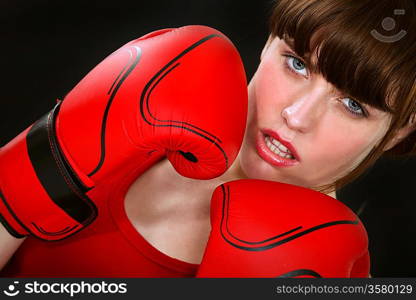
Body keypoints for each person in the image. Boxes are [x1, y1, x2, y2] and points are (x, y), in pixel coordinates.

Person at [0, 0, 415, 277]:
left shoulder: (329, 272)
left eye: (354, 105)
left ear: (401, 130)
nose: (296, 115)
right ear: (268, 43)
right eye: (296, 63)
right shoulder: (141, 97)